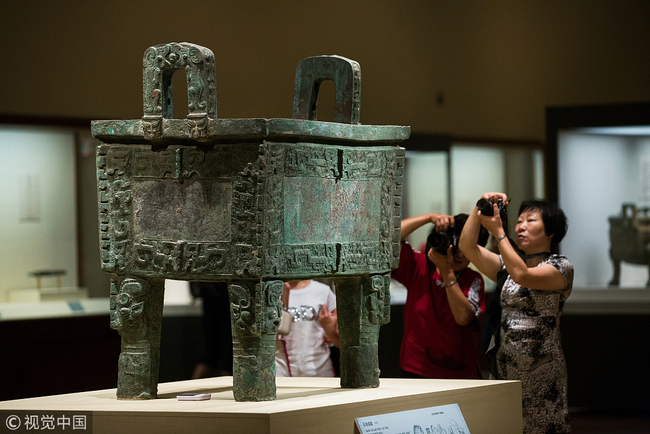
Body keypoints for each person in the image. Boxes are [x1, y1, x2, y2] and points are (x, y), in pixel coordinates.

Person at [459, 192, 573, 433]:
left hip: (542, 375)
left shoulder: (560, 267)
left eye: (531, 221)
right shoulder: (506, 267)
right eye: (519, 221)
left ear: (550, 231)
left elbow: (524, 276)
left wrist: (499, 232)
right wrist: (480, 210)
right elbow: (467, 247)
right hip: (505, 367)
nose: (521, 226)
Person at [391, 212, 489, 379]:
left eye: (468, 247)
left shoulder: (473, 279)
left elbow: (463, 317)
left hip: (459, 374)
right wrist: (428, 217)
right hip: (417, 369)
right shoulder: (419, 267)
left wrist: (447, 272)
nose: (460, 255)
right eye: (455, 246)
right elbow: (388, 239)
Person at [275, 280, 339, 377]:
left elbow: (341, 341)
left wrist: (330, 331)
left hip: (319, 369)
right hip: (281, 369)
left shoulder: (323, 291)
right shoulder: (274, 291)